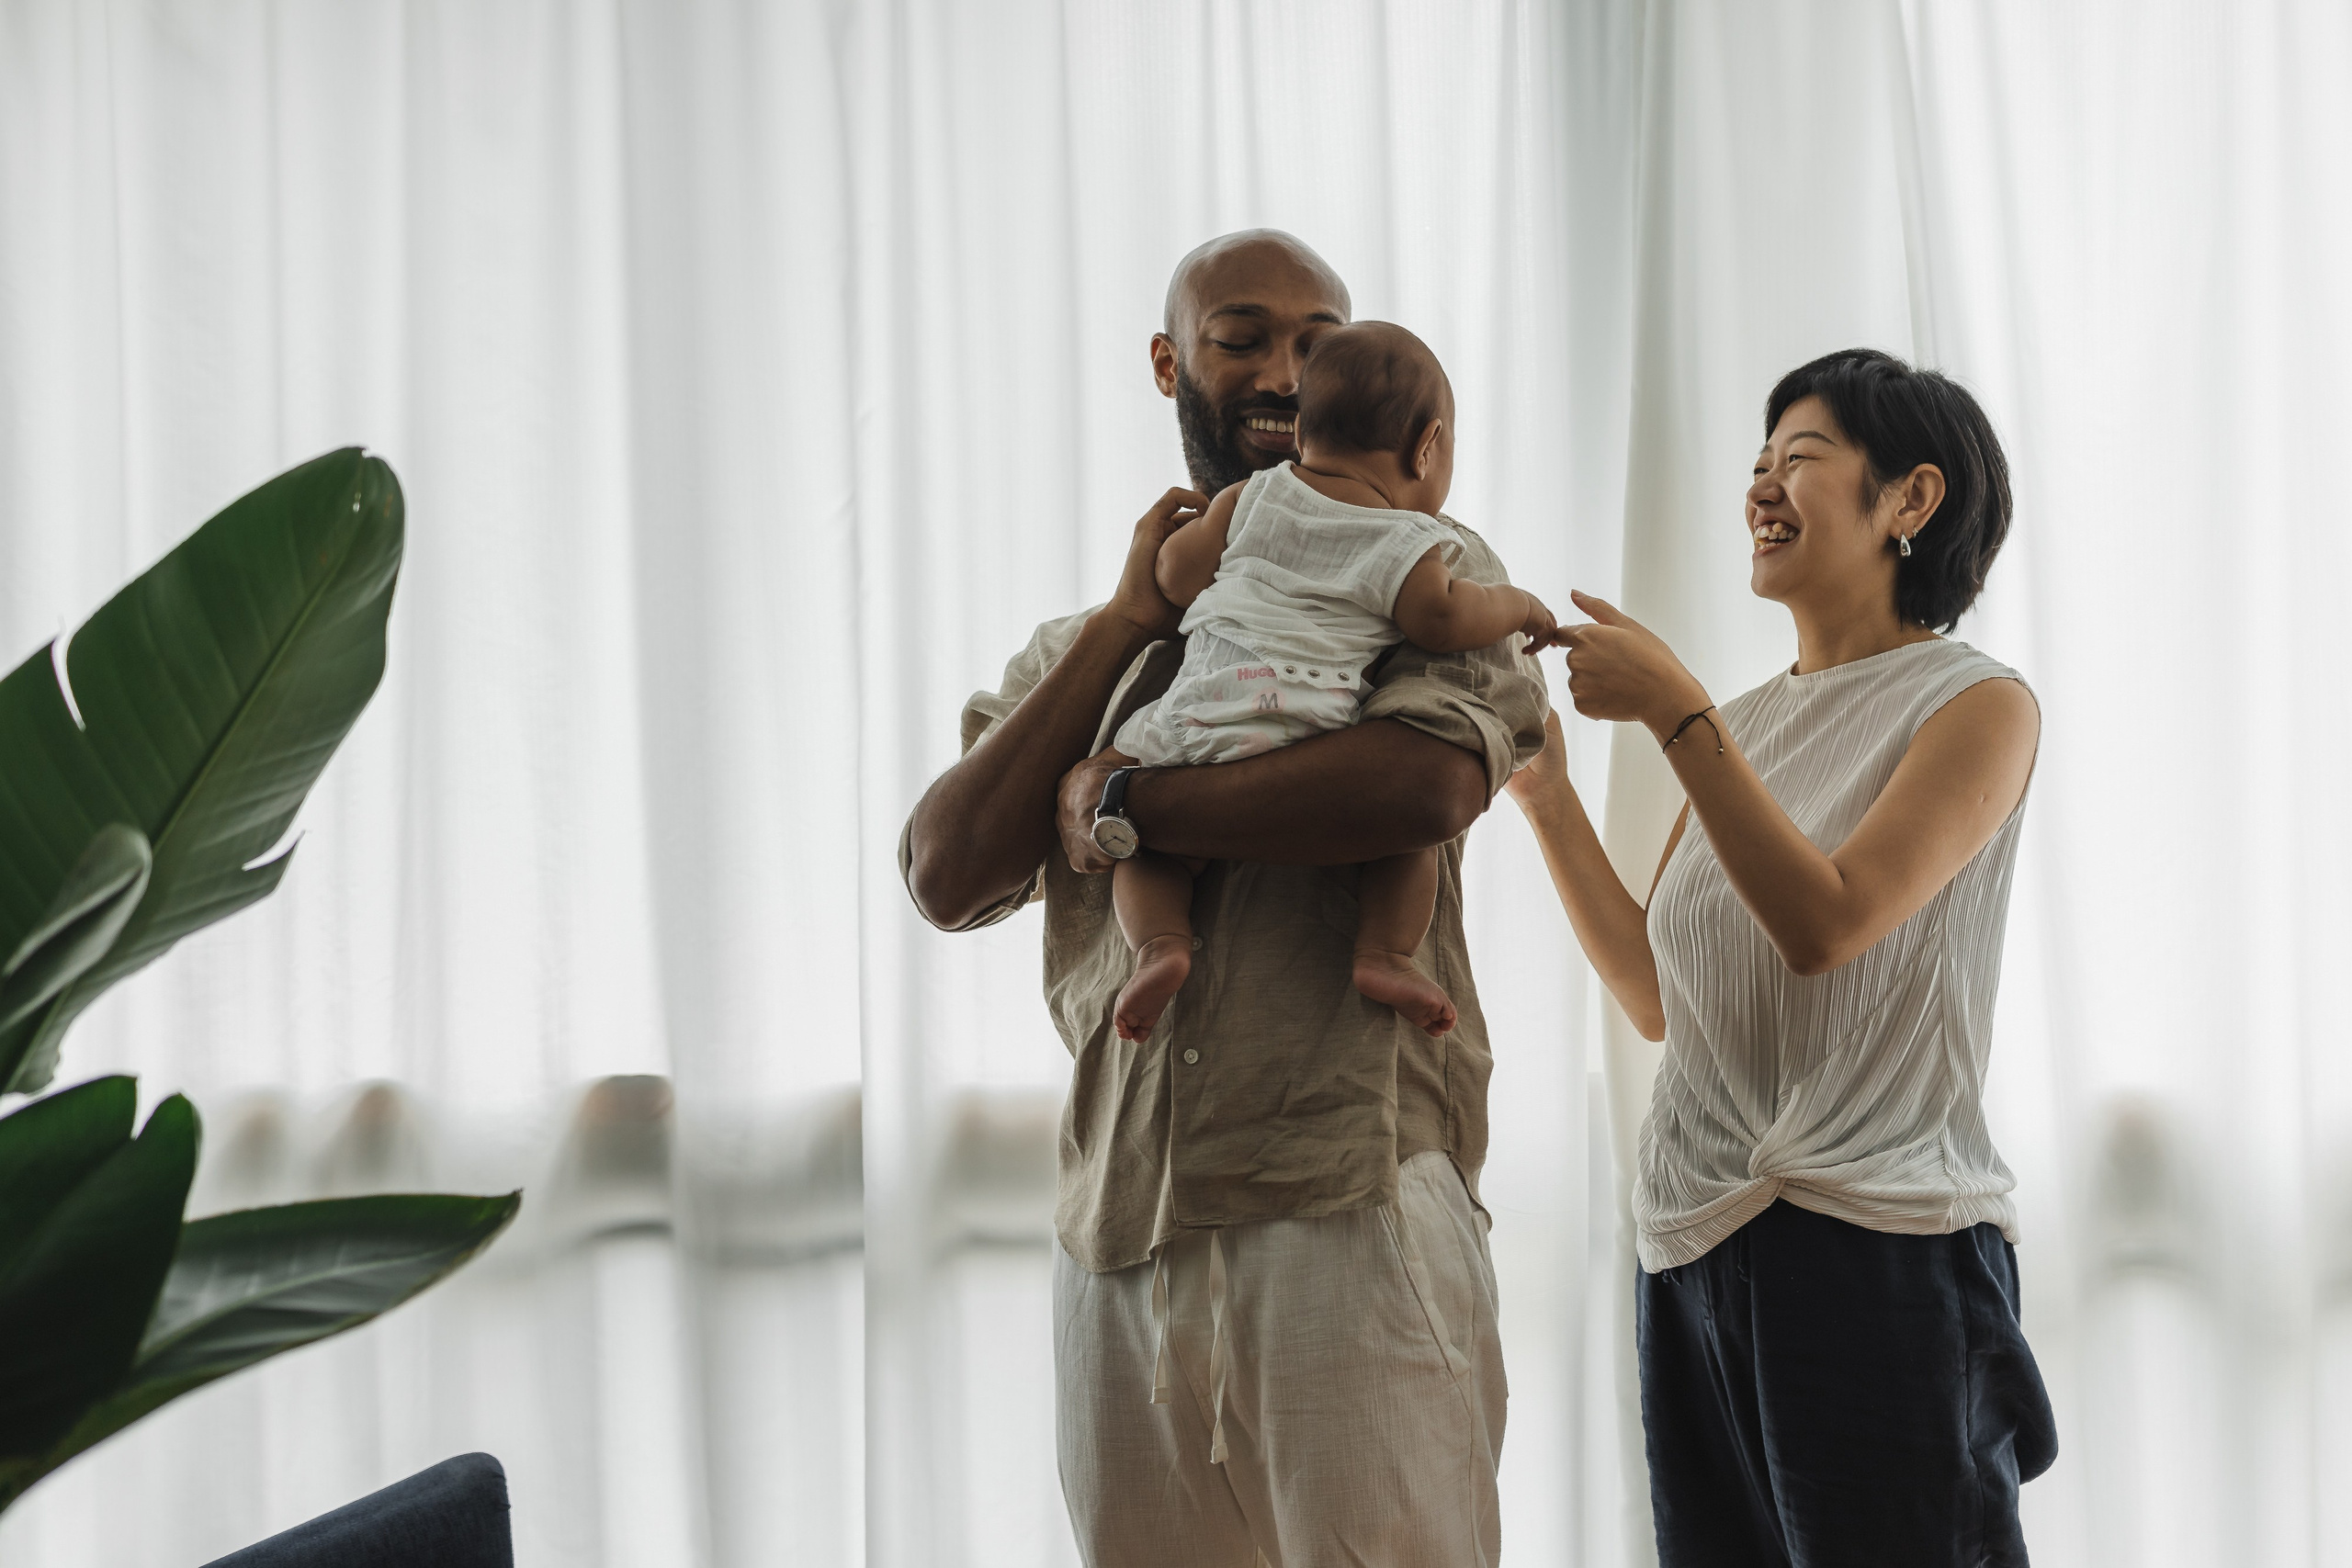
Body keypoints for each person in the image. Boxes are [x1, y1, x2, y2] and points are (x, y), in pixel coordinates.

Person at [900, 231, 1547, 1567]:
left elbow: (1419, 783)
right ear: (1169, 364)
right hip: (1120, 1233)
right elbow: (947, 869)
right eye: (1241, 335)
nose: (1282, 367)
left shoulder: (1427, 564)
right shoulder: (1085, 646)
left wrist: (1125, 804)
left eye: (1316, 340)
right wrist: (1129, 620)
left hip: (1348, 1200)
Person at [1508, 346, 2059, 1566]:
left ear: (1910, 500)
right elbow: (1660, 992)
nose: (1761, 483)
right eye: (1756, 461)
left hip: (1878, 1254)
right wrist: (1544, 786)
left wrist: (1675, 713)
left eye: (1800, 457)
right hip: (1691, 1252)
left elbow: (1830, 922)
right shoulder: (1744, 724)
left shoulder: (1974, 702)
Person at [1104, 321, 1559, 1043]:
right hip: (1312, 721)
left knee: (1146, 841)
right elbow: (1442, 618)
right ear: (1427, 446)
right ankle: (1382, 953)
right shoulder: (1412, 540)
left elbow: (1178, 576)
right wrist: (1521, 605)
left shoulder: (1248, 499)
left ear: (1303, 430)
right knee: (1406, 844)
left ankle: (1159, 944)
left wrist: (1174, 554)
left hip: (1202, 709)